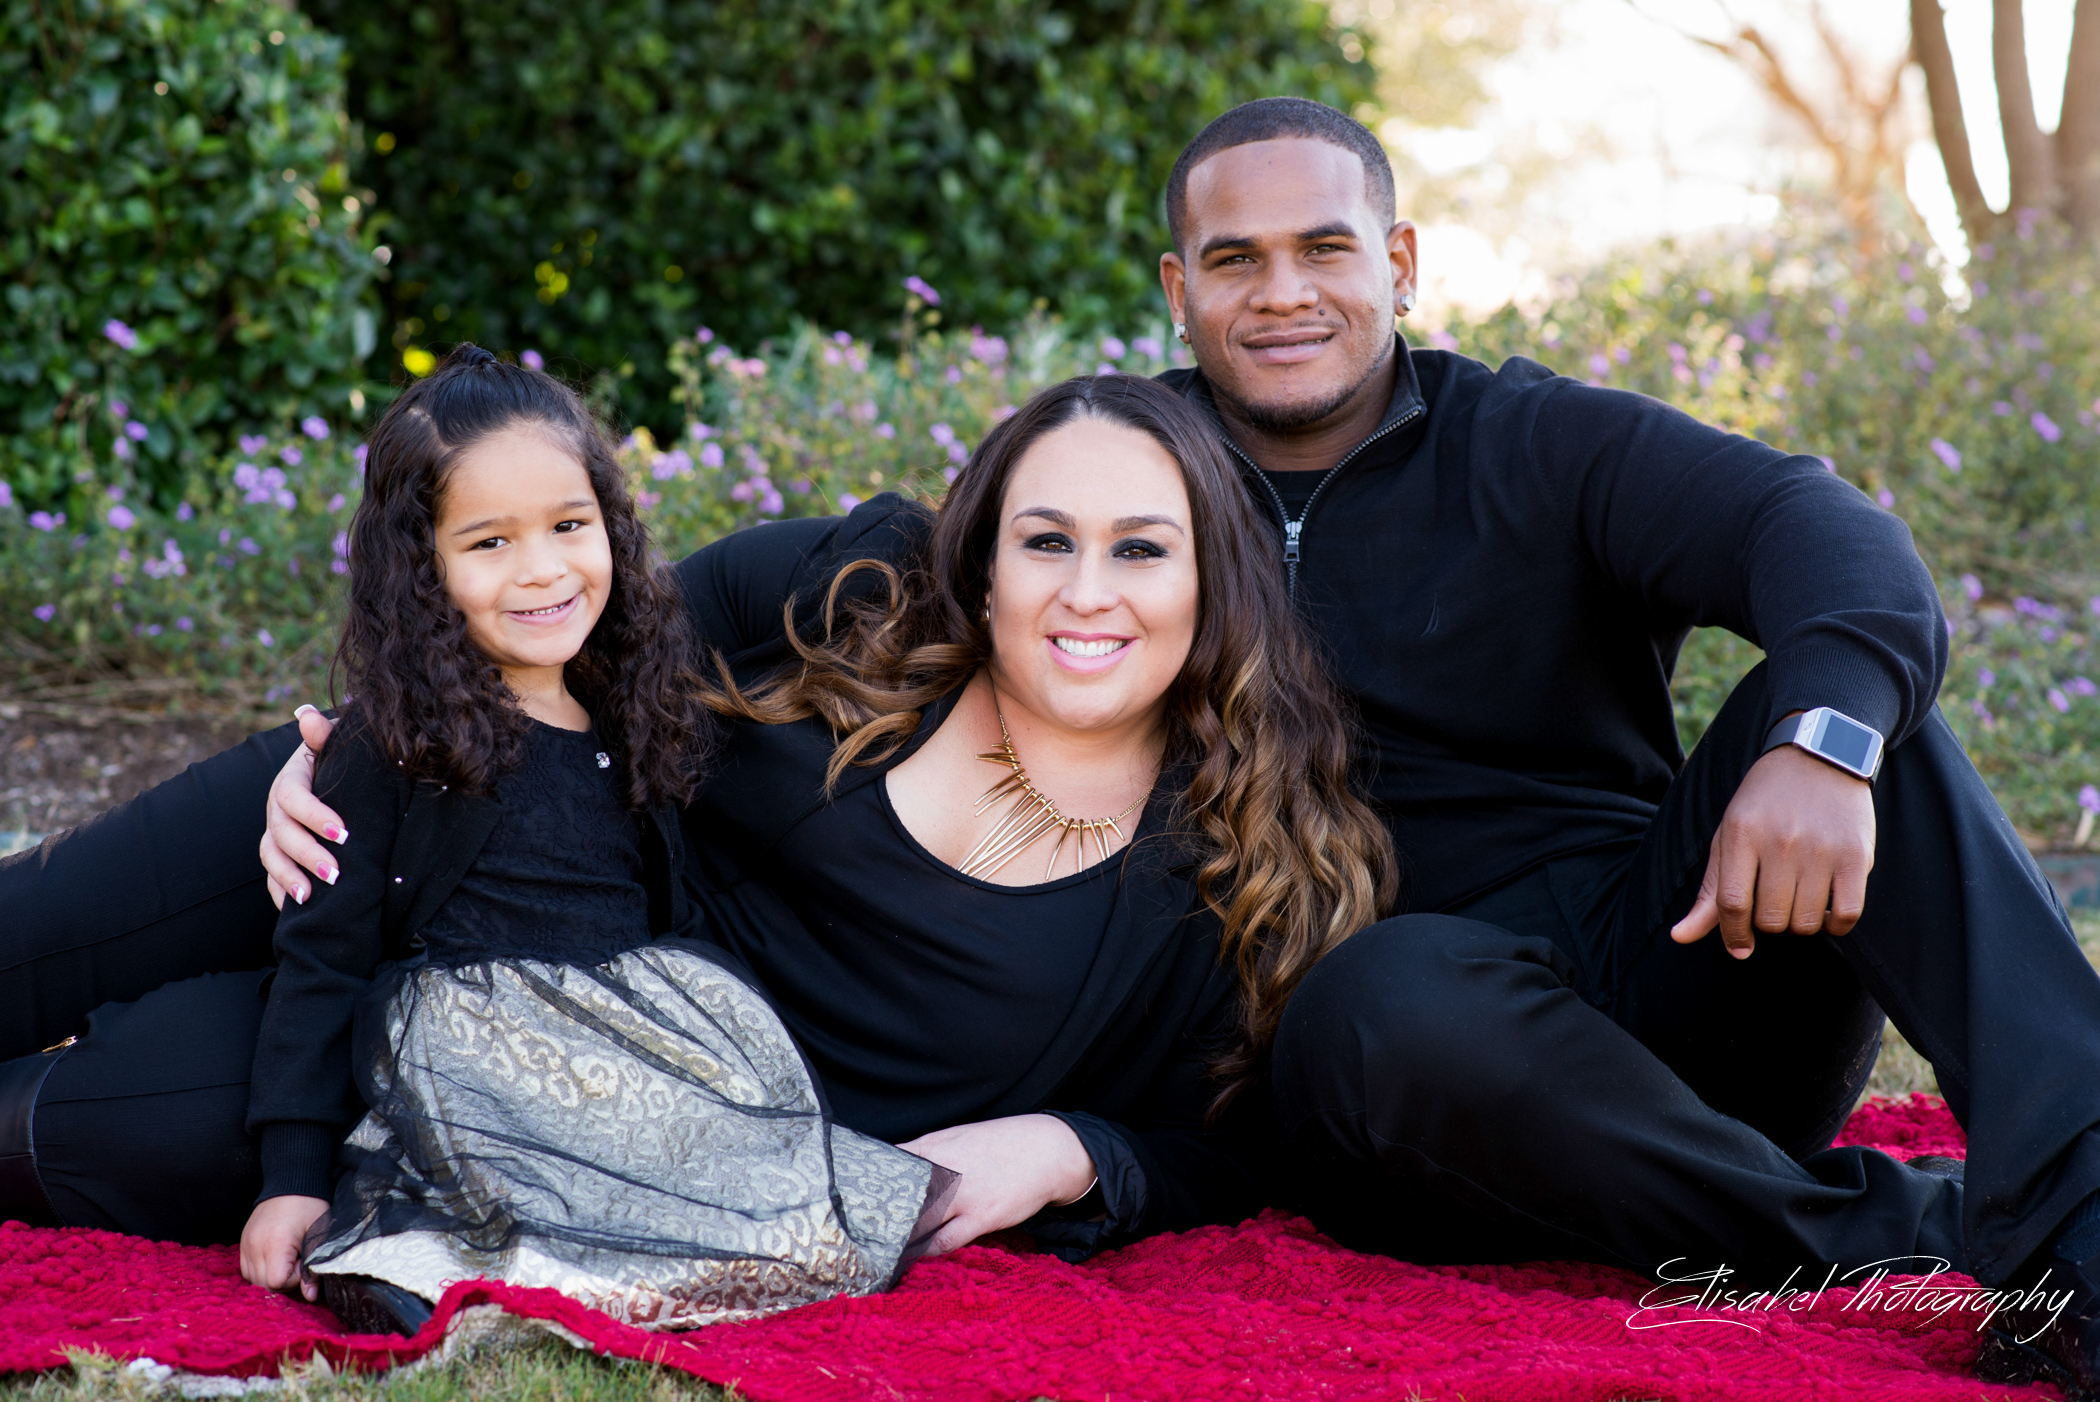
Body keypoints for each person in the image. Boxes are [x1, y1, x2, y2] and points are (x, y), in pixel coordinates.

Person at [274, 96, 2100, 1392]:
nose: (1283, 290)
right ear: (1179, 285)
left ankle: (2085, 1220)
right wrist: (379, 727)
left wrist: (1826, 738)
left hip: (1673, 970)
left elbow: (1820, 531)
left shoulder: (1536, 444)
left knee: (1860, 721)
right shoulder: (1130, 481)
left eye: (1325, 248)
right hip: (1396, 1066)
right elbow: (702, 609)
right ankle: (1900, 1234)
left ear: (1400, 259)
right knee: (1386, 989)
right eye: (1237, 258)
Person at [0, 367, 1393, 1305]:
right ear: (982, 559)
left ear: (1212, 578)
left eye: (1141, 547)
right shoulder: (862, 593)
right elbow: (561, 608)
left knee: (134, 1113)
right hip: (407, 814)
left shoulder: (1218, 870)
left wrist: (1078, 1148)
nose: (1088, 592)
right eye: (1046, 540)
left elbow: (1242, 1145)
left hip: (549, 1112)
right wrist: (355, 756)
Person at [236, 343, 952, 1333]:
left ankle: (641, 1256)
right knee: (491, 1201)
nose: (542, 569)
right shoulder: (395, 745)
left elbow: (659, 899)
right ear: (423, 568)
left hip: (627, 1049)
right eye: (489, 542)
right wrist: (289, 1176)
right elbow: (321, 961)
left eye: (569, 526)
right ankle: (445, 1272)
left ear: (609, 524)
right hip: (484, 1066)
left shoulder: (630, 707)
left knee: (784, 1199)